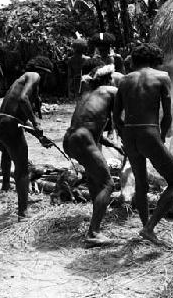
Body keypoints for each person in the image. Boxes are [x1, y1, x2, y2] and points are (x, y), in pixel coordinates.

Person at [113, 43, 173, 244]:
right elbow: (167, 114)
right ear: (154, 59)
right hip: (149, 131)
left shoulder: (125, 80)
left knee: (141, 184)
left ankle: (146, 228)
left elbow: (116, 115)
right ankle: (150, 227)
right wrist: (160, 138)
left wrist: (124, 135)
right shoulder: (162, 77)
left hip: (130, 133)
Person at [63, 64, 123, 245]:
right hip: (83, 140)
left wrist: (111, 143)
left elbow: (90, 127)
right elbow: (120, 122)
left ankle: (95, 221)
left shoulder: (87, 95)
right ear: (110, 78)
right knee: (108, 184)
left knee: (94, 179)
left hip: (70, 139)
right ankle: (93, 232)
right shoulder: (112, 90)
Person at [0, 56, 53, 221]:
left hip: (2, 123)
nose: (45, 79)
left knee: (19, 164)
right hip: (10, 124)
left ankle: (22, 207)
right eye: (47, 75)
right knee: (22, 169)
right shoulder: (34, 75)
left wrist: (39, 136)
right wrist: (36, 122)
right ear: (44, 71)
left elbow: (19, 115)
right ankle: (23, 213)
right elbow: (23, 99)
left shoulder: (20, 80)